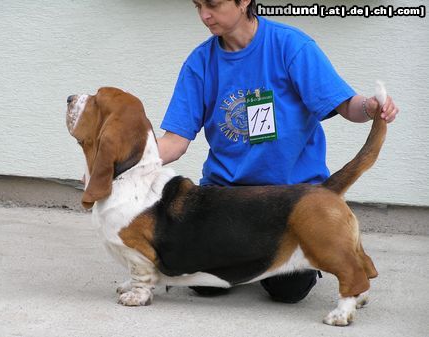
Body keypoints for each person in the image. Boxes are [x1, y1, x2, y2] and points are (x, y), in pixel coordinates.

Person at [156, 0, 399, 303]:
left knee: (289, 292)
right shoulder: (199, 63)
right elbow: (174, 142)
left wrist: (370, 107)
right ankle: (245, 259)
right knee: (203, 284)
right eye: (197, 6)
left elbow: (347, 105)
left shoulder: (291, 46)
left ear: (244, 1)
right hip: (226, 200)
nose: (204, 15)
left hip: (291, 199)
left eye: (213, 4)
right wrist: (117, 163)